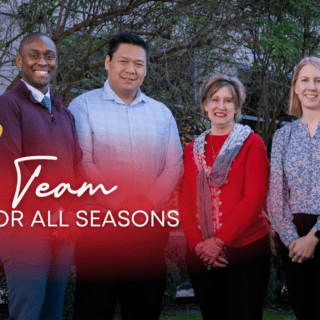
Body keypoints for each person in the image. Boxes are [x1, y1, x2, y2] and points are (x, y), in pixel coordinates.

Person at [69, 32, 183, 320]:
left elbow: (174, 166)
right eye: (123, 61)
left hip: (149, 233)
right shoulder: (83, 106)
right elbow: (83, 161)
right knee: (93, 311)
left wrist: (146, 205)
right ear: (107, 62)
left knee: (145, 311)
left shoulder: (162, 114)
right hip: (100, 234)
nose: (131, 70)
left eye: (139, 64)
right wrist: (122, 203)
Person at [0, 32, 85, 320]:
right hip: (26, 231)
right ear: (19, 61)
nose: (42, 62)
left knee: (53, 314)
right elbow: (12, 169)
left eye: (49, 55)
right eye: (34, 55)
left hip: (63, 234)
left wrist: (73, 216)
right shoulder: (7, 106)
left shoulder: (65, 114)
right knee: (27, 313)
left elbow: (78, 170)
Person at [179, 74, 270, 320]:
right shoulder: (192, 149)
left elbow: (254, 198)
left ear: (237, 107)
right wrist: (199, 245)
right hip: (201, 254)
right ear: (204, 105)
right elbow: (185, 201)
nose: (221, 106)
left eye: (228, 100)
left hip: (246, 251)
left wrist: (218, 242)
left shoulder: (253, 144)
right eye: (214, 99)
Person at [268, 56, 320, 320]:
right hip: (294, 243)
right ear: (296, 87)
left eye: (318, 80)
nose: (312, 87)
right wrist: (294, 242)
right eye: (305, 80)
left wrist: (314, 237)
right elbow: (276, 197)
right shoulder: (283, 136)